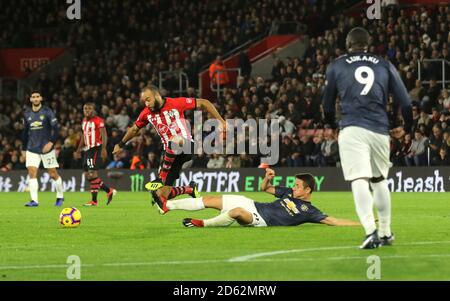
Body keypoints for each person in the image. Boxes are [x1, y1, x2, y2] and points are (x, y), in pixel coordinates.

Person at [322, 27, 413, 249]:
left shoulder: (337, 65)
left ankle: (370, 231)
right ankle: (385, 232)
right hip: (379, 130)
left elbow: (326, 104)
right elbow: (407, 102)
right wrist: (408, 127)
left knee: (359, 179)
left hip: (352, 127)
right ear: (368, 44)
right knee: (379, 179)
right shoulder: (383, 64)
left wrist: (333, 125)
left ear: (348, 44)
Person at [112, 85, 226, 200]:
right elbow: (134, 129)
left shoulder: (176, 103)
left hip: (186, 146)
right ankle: (189, 189)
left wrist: (222, 122)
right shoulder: (146, 113)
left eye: (148, 100)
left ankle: (161, 177)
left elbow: (204, 103)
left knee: (174, 139)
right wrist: (120, 144)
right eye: (144, 102)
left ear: (157, 96)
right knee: (161, 194)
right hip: (169, 155)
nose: (146, 104)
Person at [150, 168, 360, 228]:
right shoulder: (287, 192)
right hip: (253, 203)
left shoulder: (309, 212)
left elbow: (334, 221)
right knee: (210, 199)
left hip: (261, 220)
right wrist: (267, 179)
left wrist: (363, 224)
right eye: (294, 185)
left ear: (307, 191)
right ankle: (169, 206)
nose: (293, 188)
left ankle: (201, 224)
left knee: (236, 213)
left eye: (297, 186)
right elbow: (264, 189)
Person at [22, 91, 64, 207]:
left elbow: (56, 129)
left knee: (53, 174)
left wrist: (51, 143)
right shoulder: (26, 113)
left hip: (46, 149)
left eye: (37, 97)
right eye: (33, 97)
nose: (35, 99)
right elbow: (25, 132)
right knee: (32, 172)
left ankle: (60, 196)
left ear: (40, 98)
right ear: (30, 99)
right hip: (31, 148)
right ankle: (34, 201)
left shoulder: (47, 111)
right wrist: (23, 149)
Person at [74, 103, 117, 207]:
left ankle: (94, 201)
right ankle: (108, 190)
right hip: (88, 150)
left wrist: (103, 149)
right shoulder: (84, 121)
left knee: (93, 174)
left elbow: (104, 135)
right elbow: (84, 136)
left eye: (89, 109)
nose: (87, 110)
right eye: (85, 108)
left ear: (93, 110)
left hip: (96, 149)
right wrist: (78, 149)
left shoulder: (98, 121)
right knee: (87, 175)